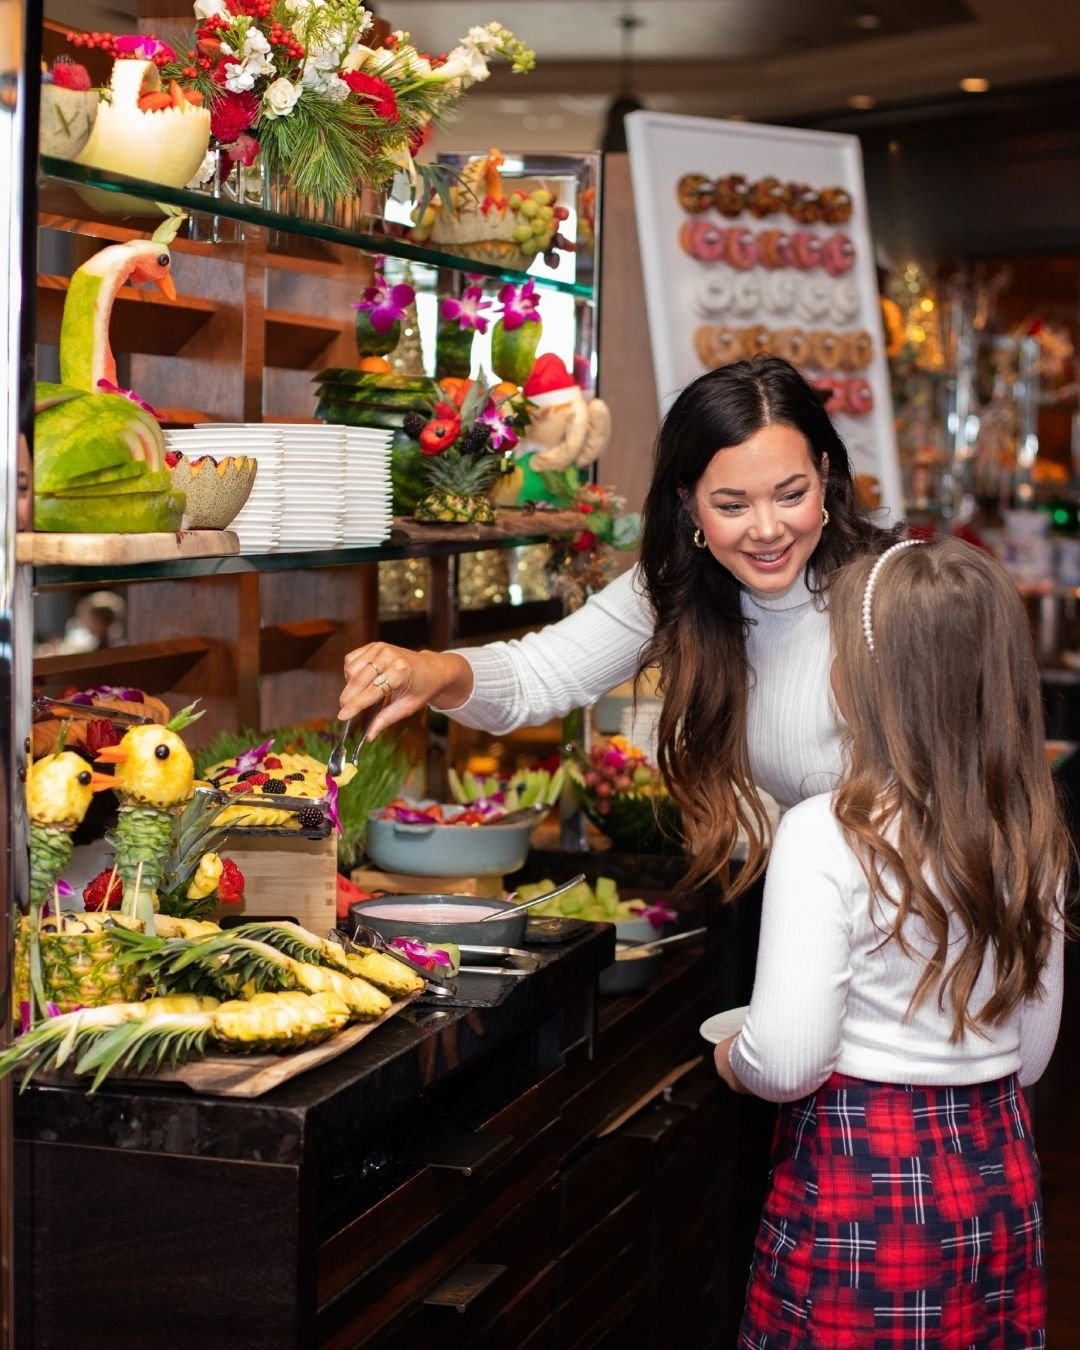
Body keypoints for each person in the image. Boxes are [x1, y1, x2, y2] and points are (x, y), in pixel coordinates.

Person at [339, 354, 899, 894]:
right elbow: (539, 674)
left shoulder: (891, 595)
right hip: (825, 895)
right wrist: (430, 671)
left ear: (825, 473)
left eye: (791, 495)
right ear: (689, 503)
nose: (768, 529)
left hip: (919, 906)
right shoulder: (682, 587)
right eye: (732, 506)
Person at [714, 536, 1069, 1347]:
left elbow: (789, 1060)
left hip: (863, 1175)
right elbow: (1031, 1054)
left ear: (860, 684)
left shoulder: (825, 833)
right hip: (997, 1168)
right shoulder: (1031, 832)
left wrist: (736, 1057)